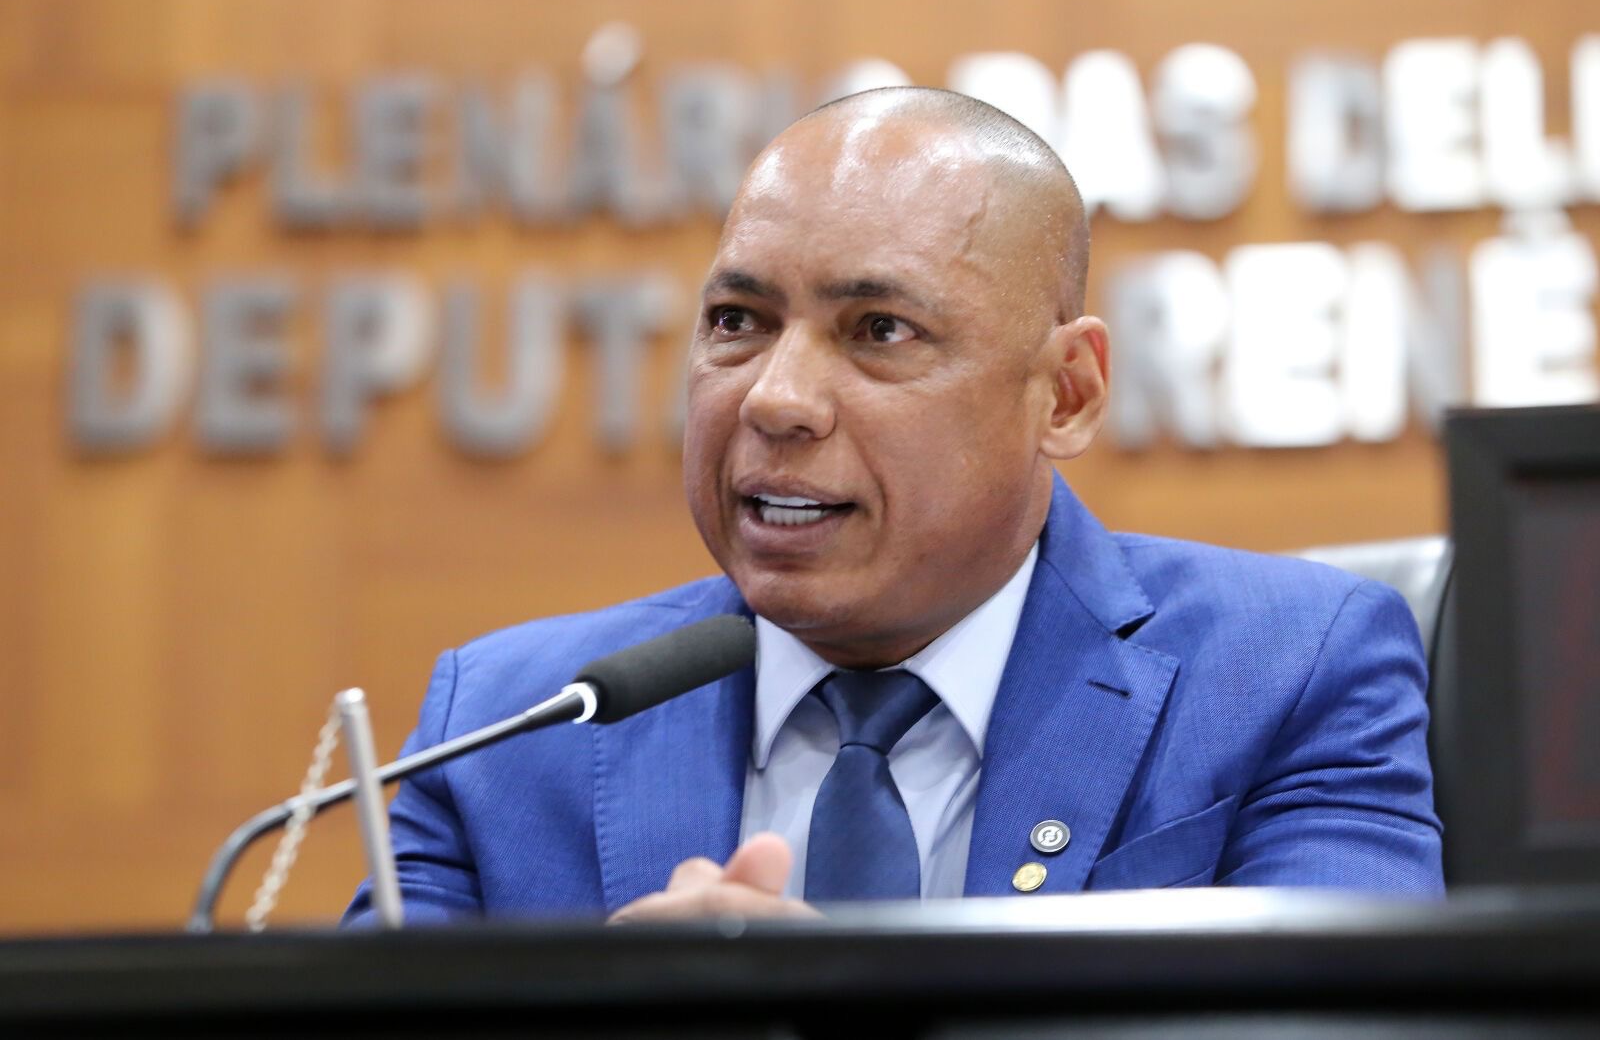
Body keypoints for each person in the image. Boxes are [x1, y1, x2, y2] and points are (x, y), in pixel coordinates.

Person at [345, 87, 1443, 925]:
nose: (774, 398)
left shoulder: (1289, 672)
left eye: (879, 330)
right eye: (737, 321)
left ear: (1064, 394)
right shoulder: (502, 726)